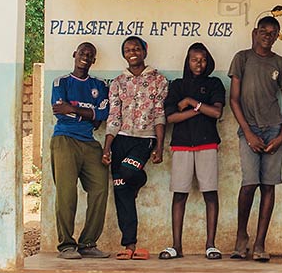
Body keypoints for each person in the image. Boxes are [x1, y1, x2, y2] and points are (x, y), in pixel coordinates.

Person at [229, 16, 282, 262]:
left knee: (268, 185)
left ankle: (259, 243)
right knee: (249, 184)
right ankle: (241, 237)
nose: (267, 36)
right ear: (255, 33)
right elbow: (234, 99)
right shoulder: (242, 58)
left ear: (277, 35)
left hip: (273, 130)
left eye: (273, 32)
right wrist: (247, 132)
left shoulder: (281, 63)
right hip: (249, 129)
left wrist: (281, 135)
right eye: (264, 31)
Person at [104, 36, 168, 261]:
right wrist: (107, 148)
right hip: (120, 140)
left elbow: (160, 114)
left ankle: (139, 181)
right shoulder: (118, 82)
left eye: (137, 48)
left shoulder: (159, 80)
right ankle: (129, 245)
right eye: (128, 50)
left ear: (145, 51)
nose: (133, 52)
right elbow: (113, 116)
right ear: (124, 54)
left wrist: (159, 147)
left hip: (144, 140)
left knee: (130, 173)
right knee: (121, 191)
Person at [159, 43, 225, 260]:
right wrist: (200, 109)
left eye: (203, 59)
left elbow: (216, 112)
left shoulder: (214, 83)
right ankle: (176, 246)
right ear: (187, 61)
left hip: (207, 144)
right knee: (179, 195)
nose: (199, 63)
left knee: (210, 193)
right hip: (181, 144)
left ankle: (211, 245)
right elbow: (171, 118)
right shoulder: (177, 86)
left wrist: (190, 103)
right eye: (195, 59)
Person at [49, 42, 112, 260]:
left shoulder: (99, 85)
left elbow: (103, 114)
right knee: (67, 194)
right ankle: (66, 245)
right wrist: (89, 112)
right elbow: (60, 111)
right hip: (65, 139)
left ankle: (87, 243)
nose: (85, 56)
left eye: (90, 55)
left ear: (94, 60)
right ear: (75, 54)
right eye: (82, 53)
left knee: (100, 189)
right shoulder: (61, 82)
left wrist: (74, 108)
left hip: (89, 142)